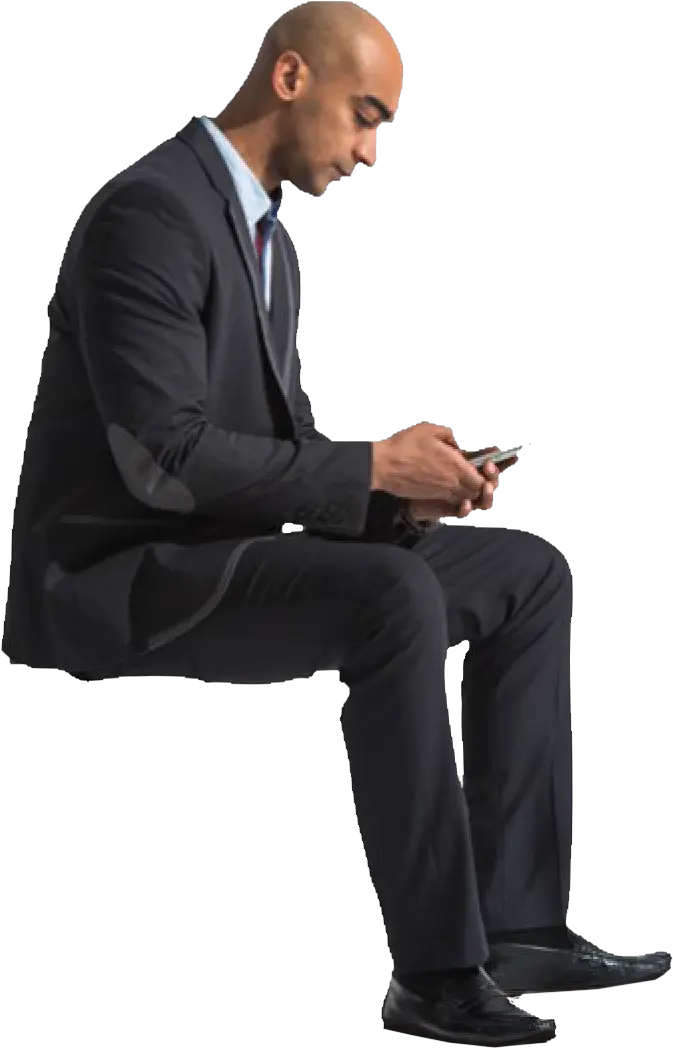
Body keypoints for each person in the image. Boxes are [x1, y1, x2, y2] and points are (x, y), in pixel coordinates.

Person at [2, 2, 669, 1044]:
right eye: (365, 117)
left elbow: (281, 447)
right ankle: (435, 973)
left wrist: (398, 495)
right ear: (289, 78)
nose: (369, 153)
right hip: (126, 575)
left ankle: (519, 925)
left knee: (526, 576)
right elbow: (164, 459)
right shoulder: (150, 213)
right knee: (393, 596)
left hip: (227, 547)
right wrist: (368, 467)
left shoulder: (269, 242)